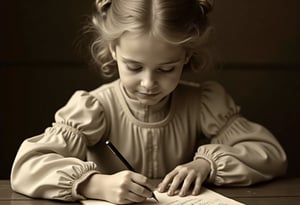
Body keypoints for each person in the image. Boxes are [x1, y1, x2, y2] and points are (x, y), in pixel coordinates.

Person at [11, 0, 287, 204]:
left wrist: (206, 166)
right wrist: (94, 185)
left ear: (186, 57)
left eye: (166, 69)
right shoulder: (94, 108)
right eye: (134, 67)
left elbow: (269, 154)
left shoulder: (204, 103)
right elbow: (26, 166)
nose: (148, 83)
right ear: (113, 49)